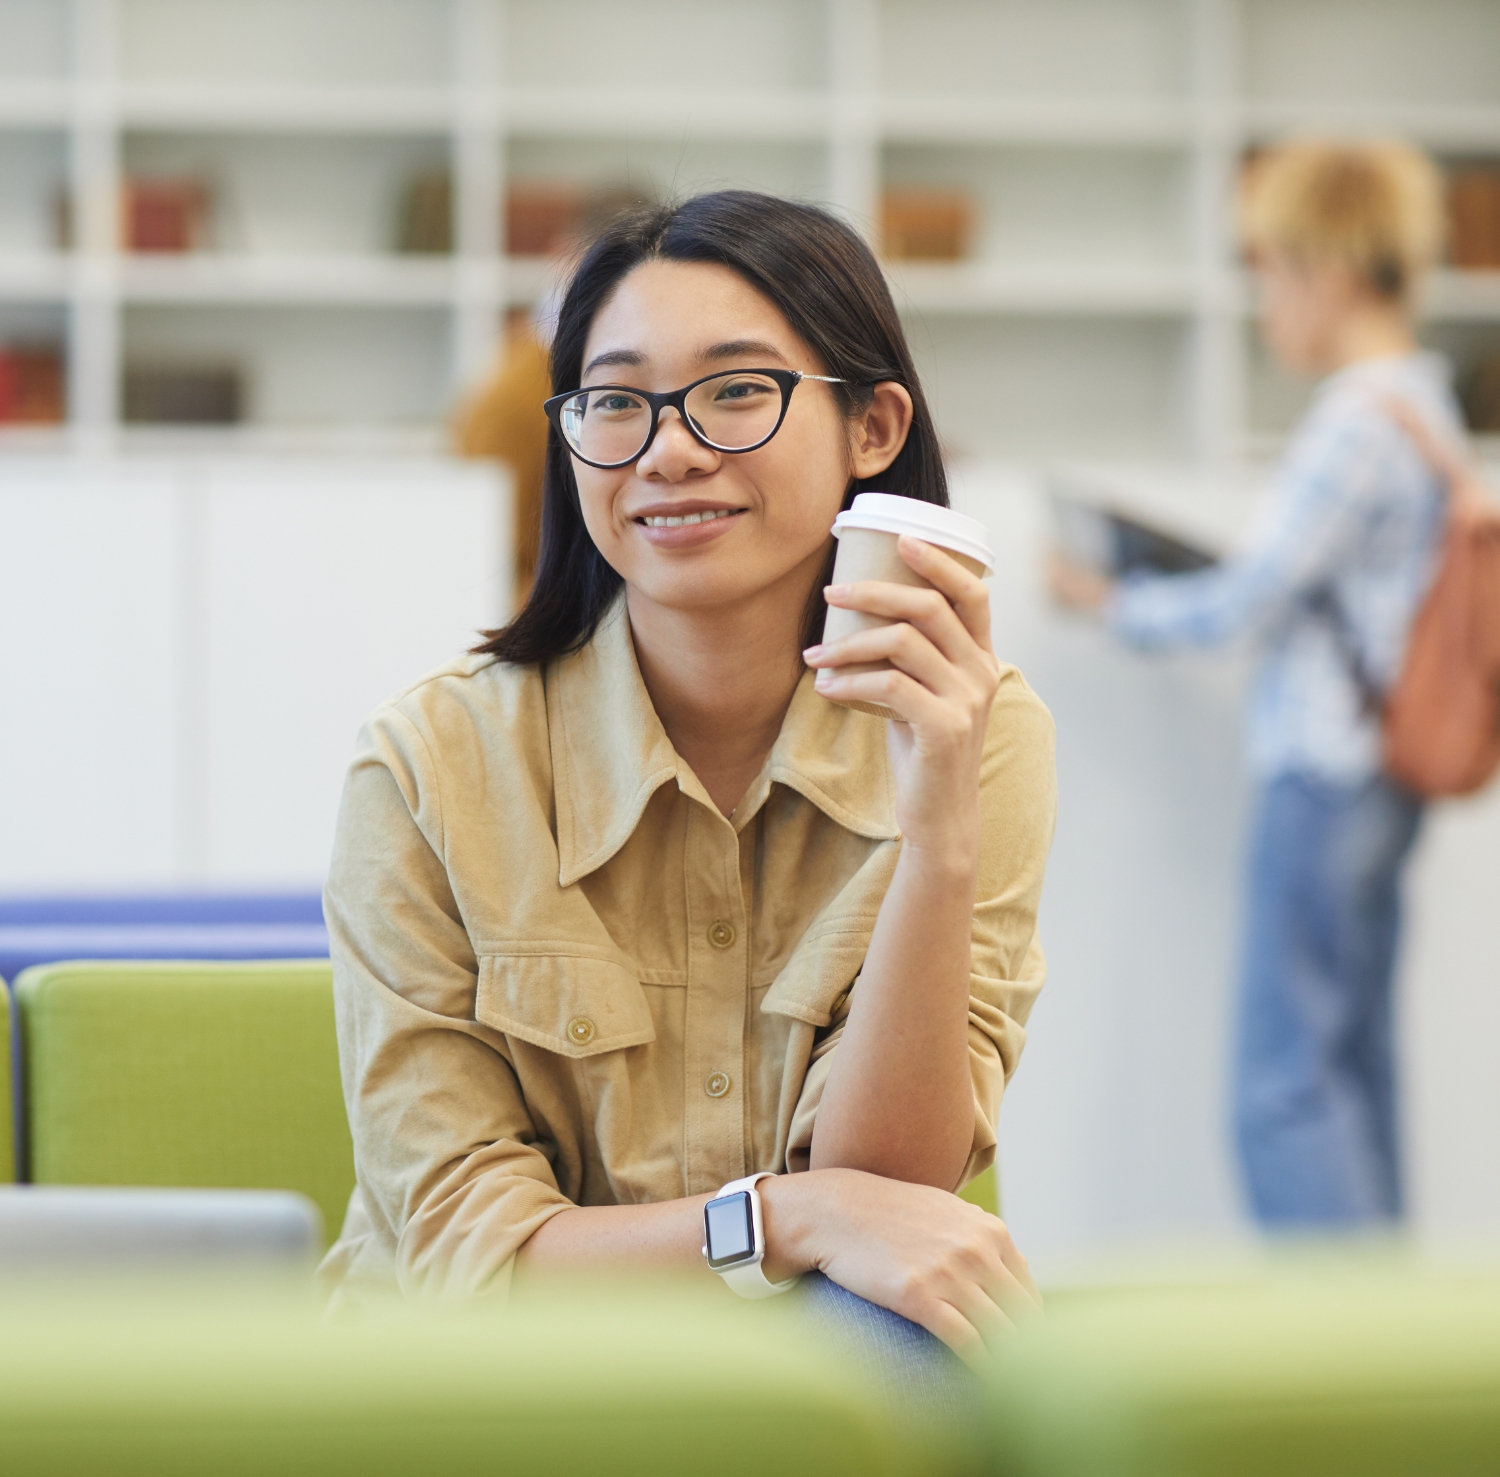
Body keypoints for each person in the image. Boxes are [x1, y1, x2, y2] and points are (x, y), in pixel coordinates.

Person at [320, 191, 1057, 1390]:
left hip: (797, 1388)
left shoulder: (980, 727)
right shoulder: (429, 762)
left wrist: (937, 835)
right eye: (616, 400)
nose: (668, 446)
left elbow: (893, 1178)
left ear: (873, 426)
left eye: (735, 390)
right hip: (468, 1395)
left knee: (927, 1345)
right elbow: (467, 1255)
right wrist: (788, 1219)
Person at [1051, 139, 1463, 1229]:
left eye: (1270, 271)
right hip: (1385, 780)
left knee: (1283, 1087)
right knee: (1354, 1063)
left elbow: (1250, 600)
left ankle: (1336, 1352)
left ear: (1327, 268)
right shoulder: (1425, 408)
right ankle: (1387, 1342)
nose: (1265, 302)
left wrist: (1110, 603)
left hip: (1325, 773)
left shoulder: (1356, 423)